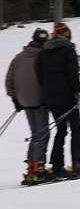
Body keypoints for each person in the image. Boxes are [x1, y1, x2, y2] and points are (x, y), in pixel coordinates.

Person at [35, 22, 80, 179]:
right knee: (75, 129)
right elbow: (73, 74)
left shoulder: (43, 52)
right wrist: (77, 93)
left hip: (51, 97)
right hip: (67, 96)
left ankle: (57, 165)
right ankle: (77, 163)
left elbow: (40, 75)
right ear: (66, 35)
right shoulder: (68, 49)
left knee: (60, 129)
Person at [5, 28, 50, 185]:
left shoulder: (18, 58)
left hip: (24, 101)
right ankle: (38, 167)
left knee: (35, 134)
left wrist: (15, 99)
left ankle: (32, 165)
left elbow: (8, 80)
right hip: (40, 100)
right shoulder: (42, 56)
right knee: (42, 134)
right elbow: (46, 79)